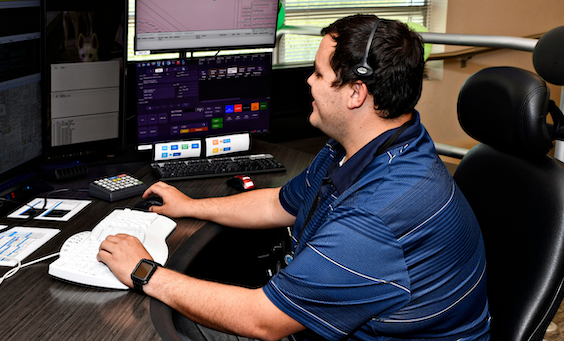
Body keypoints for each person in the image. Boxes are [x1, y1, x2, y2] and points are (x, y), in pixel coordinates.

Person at [97, 14, 491, 341]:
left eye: (319, 74)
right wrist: (191, 206)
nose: (308, 81)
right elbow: (278, 202)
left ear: (356, 92)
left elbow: (263, 320)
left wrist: (144, 271)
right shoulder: (376, 145)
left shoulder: (379, 214)